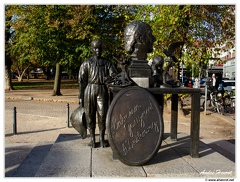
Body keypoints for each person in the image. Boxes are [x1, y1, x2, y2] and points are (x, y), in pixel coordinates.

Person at [78, 39, 117, 148]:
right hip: (89, 89)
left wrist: (109, 79)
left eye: (99, 48)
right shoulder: (86, 63)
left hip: (102, 89)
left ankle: (101, 138)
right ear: (91, 49)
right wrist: (81, 96)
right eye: (95, 48)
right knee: (89, 115)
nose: (98, 50)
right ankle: (92, 138)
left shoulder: (107, 63)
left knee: (102, 114)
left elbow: (114, 76)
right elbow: (82, 80)